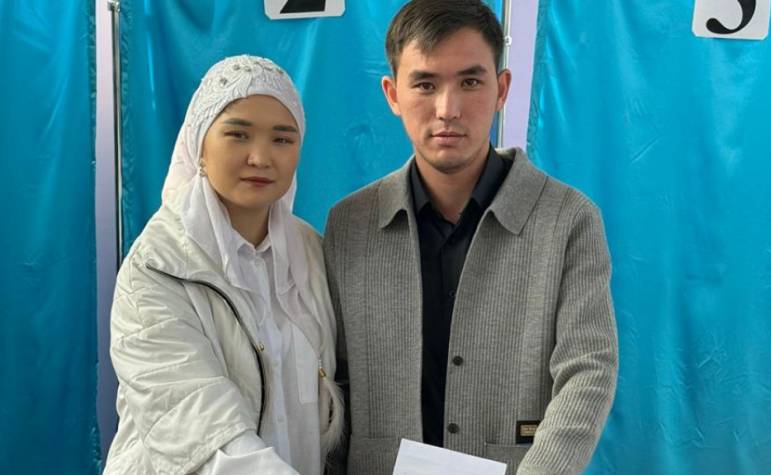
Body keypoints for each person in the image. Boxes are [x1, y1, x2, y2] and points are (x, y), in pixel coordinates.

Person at [323, 1, 618, 474]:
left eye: (470, 82)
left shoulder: (569, 220)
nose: (448, 109)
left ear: (502, 89)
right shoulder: (351, 224)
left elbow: (589, 370)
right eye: (425, 84)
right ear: (393, 94)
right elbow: (335, 382)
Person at [104, 55, 342, 475]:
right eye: (238, 134)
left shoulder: (312, 254)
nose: (260, 157)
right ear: (199, 144)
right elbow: (199, 432)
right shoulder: (155, 270)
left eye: (282, 139)